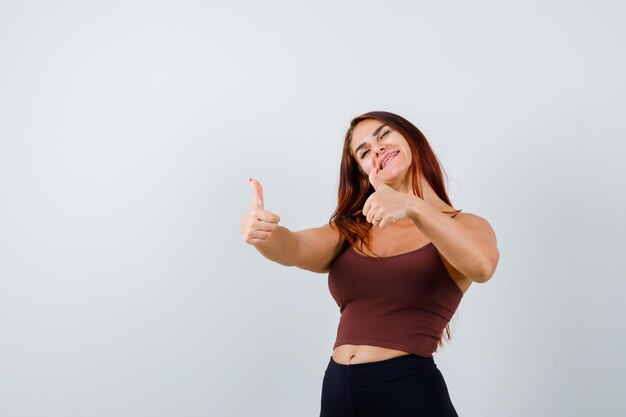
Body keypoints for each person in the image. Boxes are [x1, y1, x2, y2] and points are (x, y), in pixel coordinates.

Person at [240, 111, 499, 416]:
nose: (376, 149)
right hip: (338, 391)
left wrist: (414, 207)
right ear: (363, 171)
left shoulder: (464, 225)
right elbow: (294, 247)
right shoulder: (353, 230)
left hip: (408, 392)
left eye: (383, 135)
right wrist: (262, 234)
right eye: (363, 152)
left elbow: (482, 267)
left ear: (410, 138)